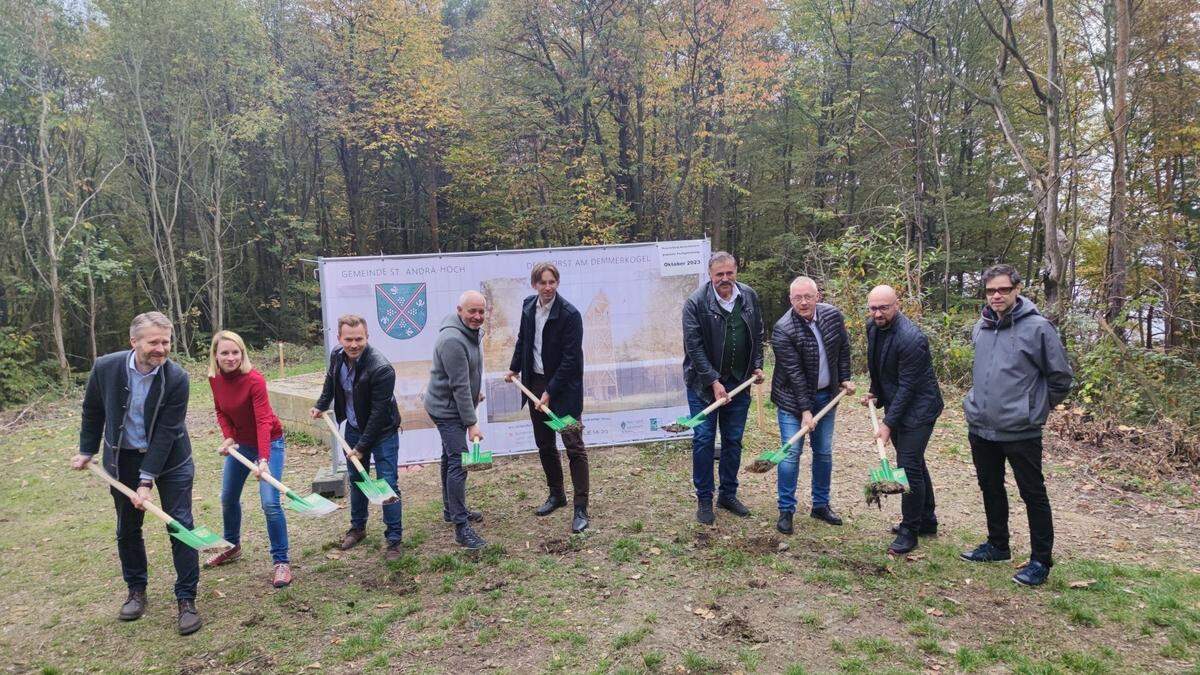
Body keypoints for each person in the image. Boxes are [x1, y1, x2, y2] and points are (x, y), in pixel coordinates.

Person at [70, 311, 202, 635]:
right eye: (153, 342)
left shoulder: (177, 378)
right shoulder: (106, 368)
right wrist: (87, 450)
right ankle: (136, 590)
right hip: (122, 460)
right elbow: (93, 410)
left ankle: (186, 599)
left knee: (180, 524)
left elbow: (167, 431)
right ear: (134, 342)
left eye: (166, 341)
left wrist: (147, 481)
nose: (161, 348)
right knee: (127, 528)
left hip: (172, 460)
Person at [961, 264, 1073, 586]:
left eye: (1003, 290)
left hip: (1021, 430)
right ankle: (998, 545)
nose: (997, 296)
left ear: (1017, 289)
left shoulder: (1038, 328)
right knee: (990, 487)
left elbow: (1060, 378)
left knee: (1032, 494)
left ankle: (1040, 561)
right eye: (991, 290)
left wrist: (1035, 408)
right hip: (982, 425)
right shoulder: (980, 328)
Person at [203, 330, 292, 588]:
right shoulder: (214, 379)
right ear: (216, 356)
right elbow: (221, 411)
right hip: (242, 444)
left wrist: (264, 458)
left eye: (235, 352)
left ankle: (281, 562)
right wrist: (229, 436)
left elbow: (263, 420)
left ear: (242, 353)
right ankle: (232, 546)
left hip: (270, 442)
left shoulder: (254, 380)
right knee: (228, 497)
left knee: (270, 502)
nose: (231, 358)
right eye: (225, 353)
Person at [310, 314, 403, 559]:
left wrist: (361, 447)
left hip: (382, 431)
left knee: (387, 485)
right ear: (340, 338)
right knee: (357, 478)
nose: (353, 345)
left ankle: (394, 540)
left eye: (359, 339)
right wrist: (321, 404)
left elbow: (379, 413)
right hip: (352, 427)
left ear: (367, 337)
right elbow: (330, 381)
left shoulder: (381, 368)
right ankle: (358, 527)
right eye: (348, 339)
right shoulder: (337, 356)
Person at [505, 262, 590, 533]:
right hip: (535, 383)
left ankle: (580, 507)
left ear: (557, 283)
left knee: (573, 447)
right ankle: (557, 494)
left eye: (552, 282)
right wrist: (514, 366)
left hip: (563, 388)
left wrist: (550, 392)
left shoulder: (570, 315)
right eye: (542, 282)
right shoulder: (529, 307)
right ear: (534, 285)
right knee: (544, 444)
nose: (548, 287)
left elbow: (570, 360)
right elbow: (523, 340)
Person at [682, 251, 765, 525]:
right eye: (720, 275)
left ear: (736, 271)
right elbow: (693, 347)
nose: (725, 279)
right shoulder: (695, 303)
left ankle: (728, 495)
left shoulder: (749, 296)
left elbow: (759, 332)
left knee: (733, 440)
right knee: (704, 440)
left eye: (730, 273)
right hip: (703, 386)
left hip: (740, 383)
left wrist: (757, 365)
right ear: (710, 275)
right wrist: (713, 381)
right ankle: (705, 499)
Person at [863, 285, 944, 554]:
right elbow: (876, 364)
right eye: (873, 307)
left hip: (920, 408)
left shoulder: (911, 338)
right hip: (899, 403)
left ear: (896, 306)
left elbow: (909, 386)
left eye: (883, 307)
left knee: (908, 466)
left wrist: (887, 424)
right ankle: (927, 519)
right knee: (915, 462)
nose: (877, 313)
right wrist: (875, 391)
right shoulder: (873, 328)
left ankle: (910, 529)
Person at [770, 276, 854, 534]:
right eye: (798, 298)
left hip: (825, 397)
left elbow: (842, 349)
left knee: (824, 452)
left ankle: (821, 505)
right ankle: (786, 509)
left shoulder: (832, 316)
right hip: (791, 400)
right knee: (791, 453)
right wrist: (805, 411)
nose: (803, 302)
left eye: (808, 296)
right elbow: (794, 374)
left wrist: (844, 379)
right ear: (790, 300)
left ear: (818, 296)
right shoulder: (783, 329)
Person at [426, 290, 489, 549]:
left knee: (450, 457)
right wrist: (472, 421)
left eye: (481, 311)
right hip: (446, 409)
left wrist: (476, 392)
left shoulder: (469, 333)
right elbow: (459, 386)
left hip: (452, 403)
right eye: (471, 311)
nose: (477, 316)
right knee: (459, 462)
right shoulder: (453, 339)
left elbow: (466, 374)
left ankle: (450, 511)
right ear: (459, 310)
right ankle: (462, 528)